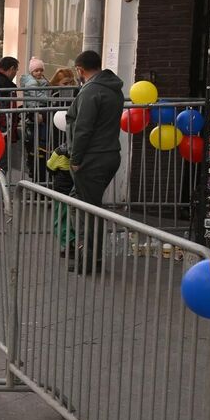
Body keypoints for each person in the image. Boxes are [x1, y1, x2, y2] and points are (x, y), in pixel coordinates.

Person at [65, 50, 124, 273]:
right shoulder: (113, 88)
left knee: (85, 210)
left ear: (80, 69)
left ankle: (89, 259)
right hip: (108, 153)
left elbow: (83, 127)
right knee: (82, 204)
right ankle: (89, 256)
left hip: (92, 157)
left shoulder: (91, 91)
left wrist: (76, 158)